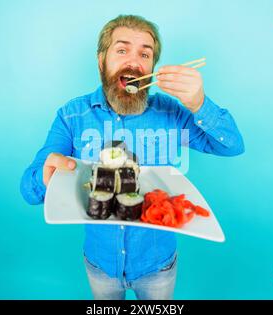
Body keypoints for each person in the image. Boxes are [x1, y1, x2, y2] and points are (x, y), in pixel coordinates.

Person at [20, 14, 245, 300]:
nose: (134, 62)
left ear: (152, 66)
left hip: (158, 265)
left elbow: (232, 145)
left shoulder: (172, 113)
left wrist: (200, 103)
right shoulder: (71, 116)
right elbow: (28, 189)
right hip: (100, 263)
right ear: (102, 60)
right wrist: (44, 175)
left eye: (145, 54)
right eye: (122, 50)